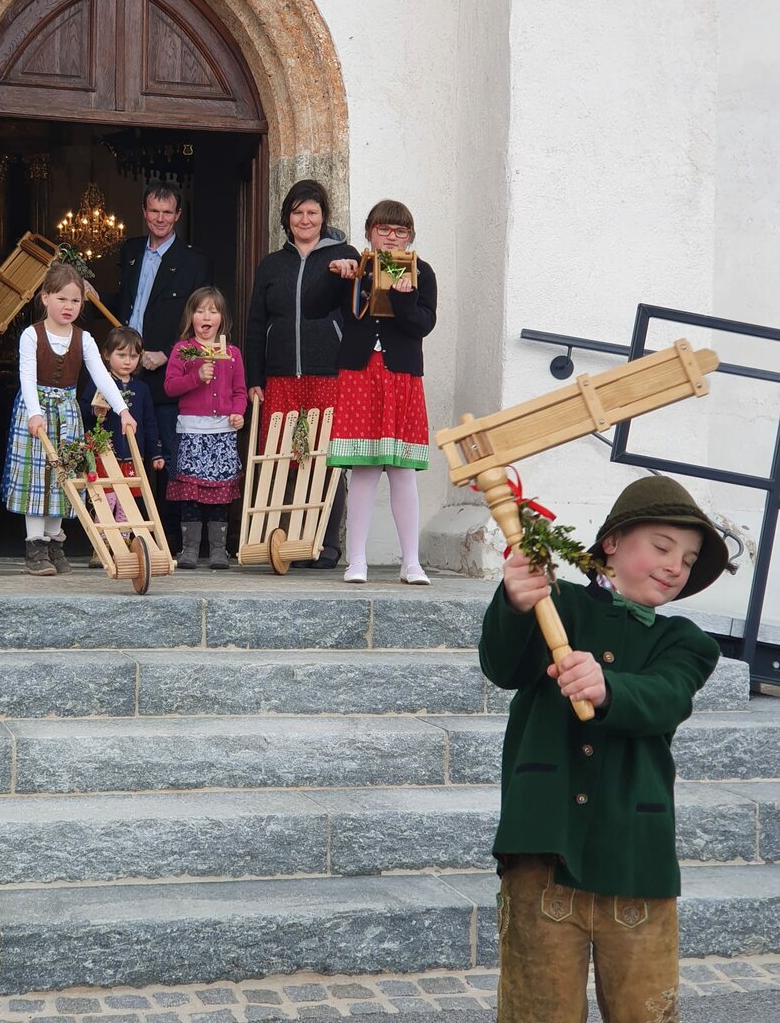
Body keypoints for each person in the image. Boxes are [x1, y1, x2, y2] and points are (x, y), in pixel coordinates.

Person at [480, 474, 728, 1023]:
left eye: (687, 561)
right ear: (611, 543)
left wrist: (608, 686)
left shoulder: (687, 643)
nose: (674, 566)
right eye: (662, 547)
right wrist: (517, 603)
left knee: (646, 1011)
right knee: (535, 1011)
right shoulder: (556, 605)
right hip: (542, 850)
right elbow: (503, 666)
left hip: (636, 861)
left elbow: (666, 696)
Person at [303, 199, 436, 585]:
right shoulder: (355, 269)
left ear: (409, 237)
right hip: (360, 373)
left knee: (401, 470)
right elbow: (312, 308)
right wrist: (333, 275)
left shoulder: (421, 272)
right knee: (362, 470)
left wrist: (403, 295)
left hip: (401, 376)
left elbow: (422, 325)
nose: (392, 237)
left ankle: (411, 561)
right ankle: (356, 559)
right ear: (369, 232)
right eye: (384, 229)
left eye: (400, 232)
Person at [0, 263, 137, 576]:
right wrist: (34, 412)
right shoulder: (31, 335)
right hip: (36, 413)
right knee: (37, 478)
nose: (68, 306)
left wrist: (122, 409)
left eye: (75, 301)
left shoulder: (84, 339)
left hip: (66, 412)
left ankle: (53, 542)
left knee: (63, 478)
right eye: (62, 298)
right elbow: (26, 375)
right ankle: (35, 545)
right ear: (46, 297)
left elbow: (102, 376)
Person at [245, 179, 349, 568]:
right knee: (281, 459)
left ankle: (327, 544)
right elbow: (256, 324)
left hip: (328, 375)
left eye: (312, 212)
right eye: (297, 212)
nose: (305, 219)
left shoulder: (344, 256)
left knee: (326, 461)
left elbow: (356, 316)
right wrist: (255, 377)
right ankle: (285, 542)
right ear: (287, 218)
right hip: (281, 377)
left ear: (324, 217)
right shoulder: (272, 264)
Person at [114, 183, 211, 507]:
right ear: (144, 212)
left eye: (167, 212)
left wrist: (168, 355)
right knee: (126, 451)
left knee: (168, 455)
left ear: (177, 216)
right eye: (154, 210)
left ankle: (168, 538)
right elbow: (122, 304)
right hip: (127, 371)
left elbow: (201, 324)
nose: (160, 218)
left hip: (167, 377)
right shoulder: (129, 251)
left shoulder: (194, 262)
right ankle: (129, 528)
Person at [163, 287, 247, 570]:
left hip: (221, 433)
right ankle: (189, 550)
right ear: (191, 316)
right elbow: (170, 386)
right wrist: (196, 376)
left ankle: (218, 551)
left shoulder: (232, 354)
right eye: (200, 311)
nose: (206, 316)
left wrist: (238, 413)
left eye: (213, 310)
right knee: (191, 493)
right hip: (191, 432)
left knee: (219, 494)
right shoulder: (182, 351)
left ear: (222, 318)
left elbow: (240, 392)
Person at [81, 325, 165, 535]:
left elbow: (149, 421)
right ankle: (104, 542)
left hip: (133, 454)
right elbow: (82, 411)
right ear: (106, 354)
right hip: (106, 452)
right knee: (106, 499)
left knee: (127, 500)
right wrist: (94, 410)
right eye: (121, 355)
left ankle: (125, 541)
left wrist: (155, 452)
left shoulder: (142, 388)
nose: (128, 361)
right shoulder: (98, 383)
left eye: (133, 356)